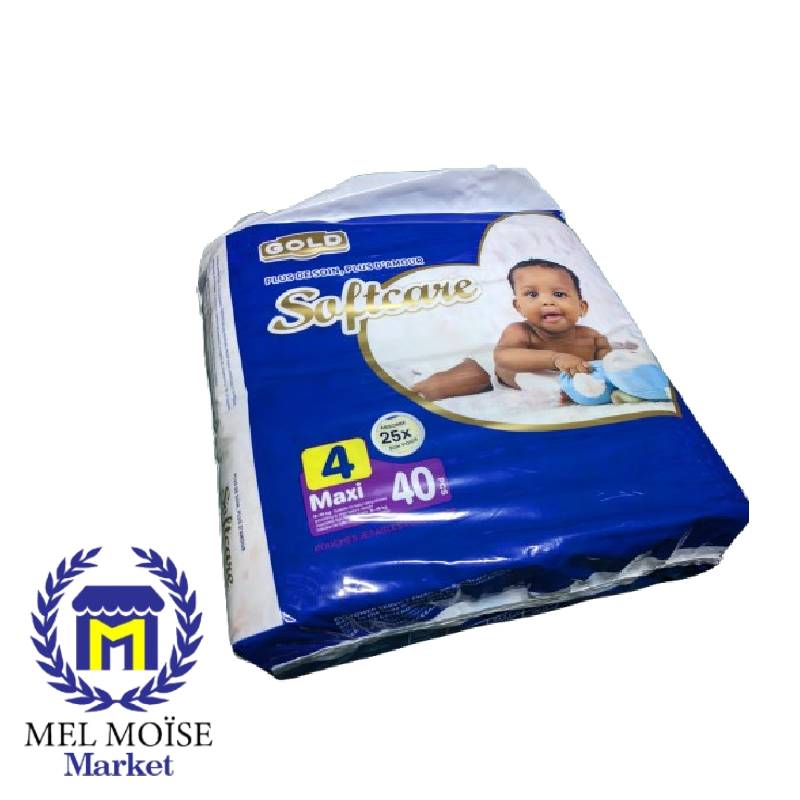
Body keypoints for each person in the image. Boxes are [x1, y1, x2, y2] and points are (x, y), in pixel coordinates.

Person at [410, 259, 610, 400]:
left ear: (582, 307)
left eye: (559, 294)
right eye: (532, 294)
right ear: (518, 307)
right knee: (444, 386)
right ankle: (416, 387)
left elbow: (611, 366)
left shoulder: (593, 338)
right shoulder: (520, 331)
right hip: (495, 369)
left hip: (535, 381)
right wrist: (555, 358)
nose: (547, 301)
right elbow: (504, 357)